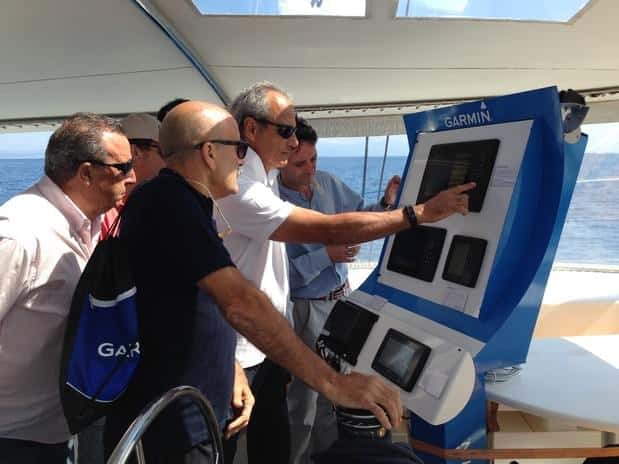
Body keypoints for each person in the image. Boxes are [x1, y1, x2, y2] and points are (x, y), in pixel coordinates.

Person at [103, 101, 404, 464]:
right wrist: (334, 383)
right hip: (174, 421)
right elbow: (240, 302)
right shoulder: (170, 203)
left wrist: (229, 364)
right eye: (239, 149)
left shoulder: (183, 201)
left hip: (192, 405)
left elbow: (193, 304)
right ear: (210, 152)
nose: (243, 161)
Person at [217, 81, 474, 464]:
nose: (293, 143)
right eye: (285, 131)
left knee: (276, 437)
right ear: (251, 129)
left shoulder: (269, 178)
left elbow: (353, 217)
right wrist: (419, 213)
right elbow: (333, 229)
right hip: (243, 349)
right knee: (253, 436)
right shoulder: (241, 186)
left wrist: (387, 204)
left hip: (270, 338)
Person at [0, 113, 136, 464]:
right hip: (12, 437)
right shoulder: (19, 233)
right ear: (86, 173)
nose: (132, 176)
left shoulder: (89, 226)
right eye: (123, 167)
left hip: (55, 429)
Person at [278, 117, 401, 463]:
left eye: (313, 159)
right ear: (281, 160)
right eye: (300, 163)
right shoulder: (272, 203)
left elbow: (362, 216)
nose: (310, 169)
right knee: (304, 401)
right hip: (305, 310)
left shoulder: (329, 183)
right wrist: (327, 256)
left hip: (341, 302)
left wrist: (386, 204)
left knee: (338, 394)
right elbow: (285, 277)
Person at [101, 112, 164, 238]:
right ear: (135, 152)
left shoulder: (153, 205)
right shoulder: (103, 211)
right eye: (163, 152)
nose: (169, 160)